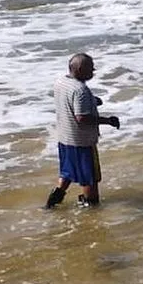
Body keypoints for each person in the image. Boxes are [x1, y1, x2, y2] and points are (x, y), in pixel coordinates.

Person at [45, 53, 120, 208]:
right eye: (91, 68)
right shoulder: (81, 90)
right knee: (90, 179)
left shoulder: (61, 82)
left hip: (65, 138)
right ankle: (90, 207)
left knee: (67, 172)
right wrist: (108, 121)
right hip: (82, 142)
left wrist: (92, 101)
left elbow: (69, 102)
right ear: (80, 69)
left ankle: (53, 201)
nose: (93, 71)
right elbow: (82, 118)